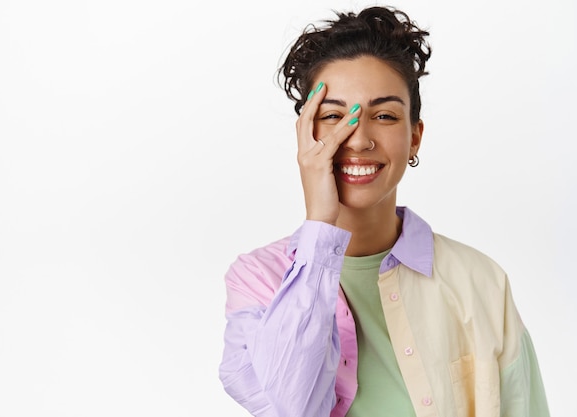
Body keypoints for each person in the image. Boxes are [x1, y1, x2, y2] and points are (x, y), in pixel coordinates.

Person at [218, 5, 549, 417]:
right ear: (306, 135)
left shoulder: (481, 282)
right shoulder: (257, 282)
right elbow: (292, 408)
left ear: (414, 138)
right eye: (334, 116)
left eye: (385, 115)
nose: (357, 140)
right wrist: (320, 224)